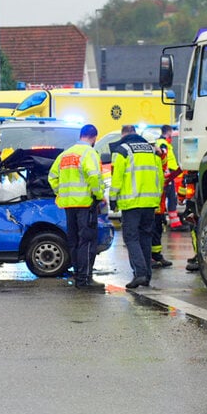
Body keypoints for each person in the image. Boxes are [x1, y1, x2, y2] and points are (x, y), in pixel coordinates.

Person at [48, 124, 104, 290]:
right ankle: (85, 279)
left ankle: (78, 275)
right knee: (87, 241)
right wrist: (99, 195)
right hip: (85, 204)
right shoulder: (89, 153)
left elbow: (52, 177)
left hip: (69, 205)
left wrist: (62, 193)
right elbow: (94, 176)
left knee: (74, 241)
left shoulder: (65, 154)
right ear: (94, 138)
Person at [110, 125, 163, 289]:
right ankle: (146, 275)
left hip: (132, 203)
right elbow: (159, 176)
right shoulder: (151, 149)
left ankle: (140, 273)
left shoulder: (122, 150)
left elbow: (117, 177)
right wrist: (157, 197)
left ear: (123, 134)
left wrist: (113, 198)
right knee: (145, 237)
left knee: (131, 238)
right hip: (150, 202)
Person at [155, 125, 183, 230]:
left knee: (166, 198)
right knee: (170, 198)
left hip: (168, 173)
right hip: (168, 174)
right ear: (168, 132)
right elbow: (164, 157)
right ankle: (173, 223)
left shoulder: (162, 142)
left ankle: (165, 220)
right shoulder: (163, 143)